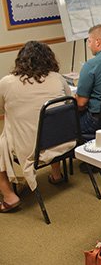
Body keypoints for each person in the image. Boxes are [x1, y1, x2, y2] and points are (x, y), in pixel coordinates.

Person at [0, 41, 75, 212]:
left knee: (5, 139)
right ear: (49, 59)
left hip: (30, 147)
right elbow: (68, 103)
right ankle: (56, 174)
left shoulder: (7, 82)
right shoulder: (58, 78)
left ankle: (9, 197)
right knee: (50, 121)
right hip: (62, 140)